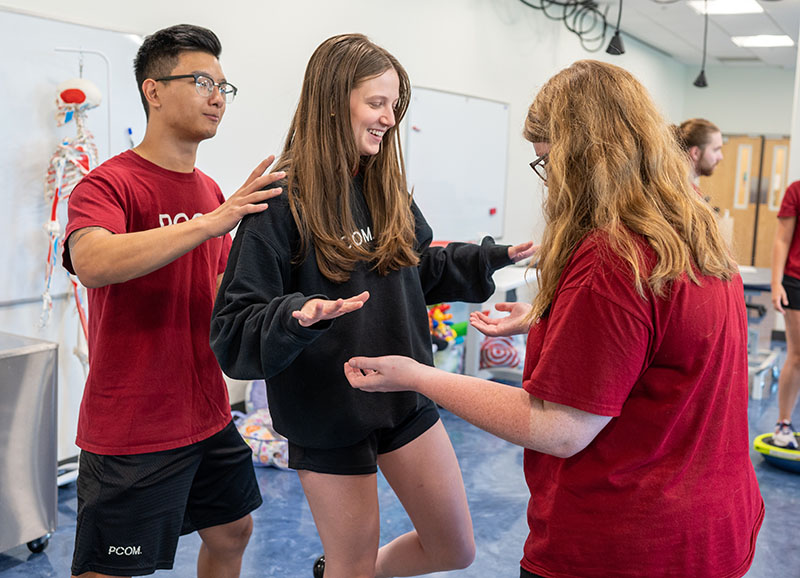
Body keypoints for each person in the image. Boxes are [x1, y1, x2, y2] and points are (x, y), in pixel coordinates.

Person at [345, 60, 763, 578]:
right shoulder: (688, 226)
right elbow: (654, 337)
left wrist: (417, 375)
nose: (549, 182)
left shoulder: (614, 257)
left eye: (547, 162)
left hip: (625, 546)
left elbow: (559, 428)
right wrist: (554, 319)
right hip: (713, 523)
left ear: (584, 157)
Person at [209, 33, 534, 578]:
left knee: (455, 549)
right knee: (353, 565)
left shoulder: (384, 188)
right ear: (333, 101)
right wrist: (296, 316)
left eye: (394, 105)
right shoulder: (279, 204)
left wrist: (489, 258)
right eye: (377, 102)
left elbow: (414, 269)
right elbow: (234, 328)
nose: (389, 118)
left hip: (403, 395)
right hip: (327, 412)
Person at [62, 24, 283, 578]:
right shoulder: (109, 184)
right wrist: (209, 222)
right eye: (202, 81)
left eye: (224, 87)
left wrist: (294, 307)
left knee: (233, 531)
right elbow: (92, 261)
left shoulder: (210, 191)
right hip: (133, 424)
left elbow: (221, 294)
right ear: (153, 90)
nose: (217, 97)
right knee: (110, 569)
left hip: (207, 411)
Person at [770, 179, 800, 449]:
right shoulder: (796, 190)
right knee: (798, 354)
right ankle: (784, 424)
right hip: (796, 280)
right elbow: (782, 238)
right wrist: (776, 283)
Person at [674, 117, 724, 181]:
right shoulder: (671, 186)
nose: (721, 157)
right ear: (695, 153)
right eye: (716, 150)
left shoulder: (687, 186)